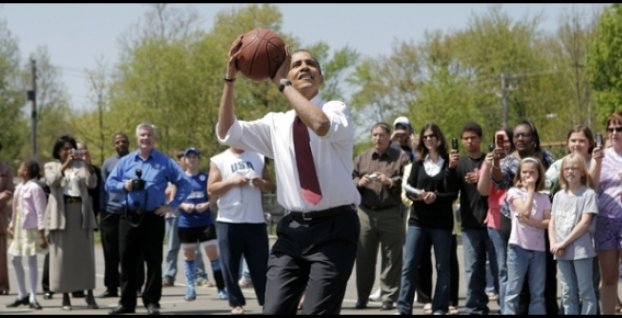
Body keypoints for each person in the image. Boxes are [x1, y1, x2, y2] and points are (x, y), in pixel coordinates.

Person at [216, 43, 361, 315]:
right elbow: (227, 132)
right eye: (296, 64)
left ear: (321, 78)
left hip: (335, 228)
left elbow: (319, 125)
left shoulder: (336, 109)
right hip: (293, 229)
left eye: (311, 64)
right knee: (273, 311)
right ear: (288, 74)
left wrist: (283, 85)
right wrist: (230, 78)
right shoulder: (275, 123)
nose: (304, 67)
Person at [105, 122, 191, 315]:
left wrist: (171, 206)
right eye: (142, 135)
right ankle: (126, 303)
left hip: (153, 216)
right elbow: (109, 184)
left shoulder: (164, 162)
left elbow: (184, 184)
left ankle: (152, 301)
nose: (146, 138)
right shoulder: (126, 161)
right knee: (127, 260)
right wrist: (124, 186)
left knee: (153, 260)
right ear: (137, 138)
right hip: (129, 216)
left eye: (149, 135)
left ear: (154, 138)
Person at [491, 119, 557, 315]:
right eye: (517, 135)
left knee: (544, 274)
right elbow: (499, 182)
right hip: (514, 222)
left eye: (525, 135)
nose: (520, 138)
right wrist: (495, 163)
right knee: (517, 278)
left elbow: (553, 184)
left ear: (533, 138)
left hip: (542, 220)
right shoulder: (507, 161)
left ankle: (547, 309)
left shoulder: (545, 157)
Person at [397, 123, 458, 315]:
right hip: (418, 221)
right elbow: (408, 187)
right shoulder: (417, 164)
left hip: (441, 223)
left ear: (439, 139)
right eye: (425, 137)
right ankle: (403, 308)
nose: (429, 139)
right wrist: (419, 196)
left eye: (432, 136)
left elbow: (453, 193)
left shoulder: (450, 163)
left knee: (443, 267)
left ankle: (440, 307)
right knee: (409, 265)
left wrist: (436, 196)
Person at [208, 146, 274, 315]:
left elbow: (270, 186)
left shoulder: (258, 156)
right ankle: (235, 303)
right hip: (229, 220)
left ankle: (267, 301)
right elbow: (211, 188)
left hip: (255, 221)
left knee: (261, 266)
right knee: (230, 265)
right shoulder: (219, 159)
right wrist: (232, 182)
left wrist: (260, 183)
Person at [352, 121, 409, 311]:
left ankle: (389, 297)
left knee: (392, 257)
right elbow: (350, 178)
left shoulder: (400, 157)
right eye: (374, 135)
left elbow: (409, 179)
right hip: (365, 212)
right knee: (364, 257)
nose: (377, 138)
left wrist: (391, 182)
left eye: (381, 135)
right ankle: (362, 297)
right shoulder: (362, 157)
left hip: (391, 212)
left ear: (388, 136)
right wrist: (359, 181)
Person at [44, 134, 99, 311]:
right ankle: (65, 296)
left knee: (85, 256)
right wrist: (65, 165)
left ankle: (89, 295)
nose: (69, 151)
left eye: (71, 148)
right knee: (63, 258)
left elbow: (92, 185)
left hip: (80, 213)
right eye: (65, 148)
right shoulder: (51, 166)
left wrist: (89, 165)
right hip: (61, 214)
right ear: (58, 151)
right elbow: (52, 182)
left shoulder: (81, 165)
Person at [447, 121, 496, 315]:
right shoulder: (460, 163)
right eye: (465, 139)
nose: (469, 142)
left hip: (492, 222)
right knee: (473, 267)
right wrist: (451, 169)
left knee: (498, 266)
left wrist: (483, 176)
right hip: (469, 222)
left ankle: (507, 305)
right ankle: (475, 306)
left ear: (481, 138)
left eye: (473, 138)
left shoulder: (489, 160)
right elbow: (450, 191)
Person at [548, 153, 598, 314]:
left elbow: (585, 223)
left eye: (575, 168)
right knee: (567, 293)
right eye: (567, 168)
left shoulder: (588, 194)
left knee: (585, 291)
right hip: (561, 252)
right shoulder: (557, 196)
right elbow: (552, 222)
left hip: (580, 251)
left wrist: (563, 243)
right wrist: (553, 243)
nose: (570, 171)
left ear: (583, 172)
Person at [177, 146, 227, 302]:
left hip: (204, 222)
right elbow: (173, 198)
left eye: (195, 157)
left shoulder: (205, 178)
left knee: (213, 255)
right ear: (184, 160)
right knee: (189, 256)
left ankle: (221, 288)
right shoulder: (180, 179)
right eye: (189, 157)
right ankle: (190, 288)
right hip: (186, 223)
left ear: (199, 160)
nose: (192, 159)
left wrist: (206, 205)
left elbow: (214, 196)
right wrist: (184, 205)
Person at [99, 132, 145, 298]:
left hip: (130, 211)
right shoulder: (107, 163)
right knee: (110, 252)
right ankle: (111, 286)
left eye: (124, 141)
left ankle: (137, 286)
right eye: (118, 142)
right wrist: (102, 209)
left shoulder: (136, 160)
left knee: (134, 251)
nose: (121, 144)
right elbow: (103, 188)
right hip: (110, 212)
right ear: (114, 145)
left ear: (128, 143)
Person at [503, 157, 551, 315]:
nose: (528, 175)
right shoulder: (513, 192)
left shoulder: (544, 197)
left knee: (537, 292)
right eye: (524, 172)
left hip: (538, 250)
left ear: (539, 175)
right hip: (518, 247)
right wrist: (530, 190)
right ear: (519, 174)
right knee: (513, 291)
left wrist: (530, 222)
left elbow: (548, 222)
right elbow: (524, 211)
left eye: (532, 172)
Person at [477, 126, 514, 314]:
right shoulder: (489, 161)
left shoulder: (518, 160)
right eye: (499, 140)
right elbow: (483, 191)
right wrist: (488, 165)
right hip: (497, 222)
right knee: (503, 268)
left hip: (520, 221)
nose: (503, 143)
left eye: (506, 139)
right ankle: (506, 309)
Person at [162, 151, 208, 288]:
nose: (181, 161)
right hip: (174, 215)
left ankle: (200, 276)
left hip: (190, 217)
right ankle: (168, 276)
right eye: (179, 159)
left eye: (183, 158)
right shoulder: (172, 176)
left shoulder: (192, 177)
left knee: (195, 248)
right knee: (172, 248)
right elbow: (167, 193)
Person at [592, 111, 622, 315]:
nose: (614, 132)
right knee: (609, 277)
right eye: (610, 128)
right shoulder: (601, 155)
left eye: (619, 128)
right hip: (606, 221)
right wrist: (598, 162)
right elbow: (591, 187)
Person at [5, 160, 47, 309]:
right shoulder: (19, 188)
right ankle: (22, 294)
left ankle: (33, 297)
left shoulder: (35, 188)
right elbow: (15, 209)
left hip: (32, 228)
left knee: (31, 260)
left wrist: (42, 234)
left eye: (21, 167)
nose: (19, 169)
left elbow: (41, 211)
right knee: (15, 258)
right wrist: (11, 225)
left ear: (26, 171)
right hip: (19, 228)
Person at [0, 151, 14, 296]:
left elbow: (9, 190)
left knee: (1, 256)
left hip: (0, 214)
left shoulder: (5, 169)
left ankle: (2, 285)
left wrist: (1, 197)